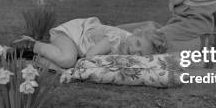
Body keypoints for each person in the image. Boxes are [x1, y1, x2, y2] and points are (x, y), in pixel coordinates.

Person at [11, 17, 168, 70]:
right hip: (70, 34)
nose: (134, 51)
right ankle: (31, 45)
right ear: (135, 34)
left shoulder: (127, 48)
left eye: (140, 54)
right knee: (68, 60)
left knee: (61, 68)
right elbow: (90, 56)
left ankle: (32, 56)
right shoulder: (116, 38)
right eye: (138, 43)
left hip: (76, 44)